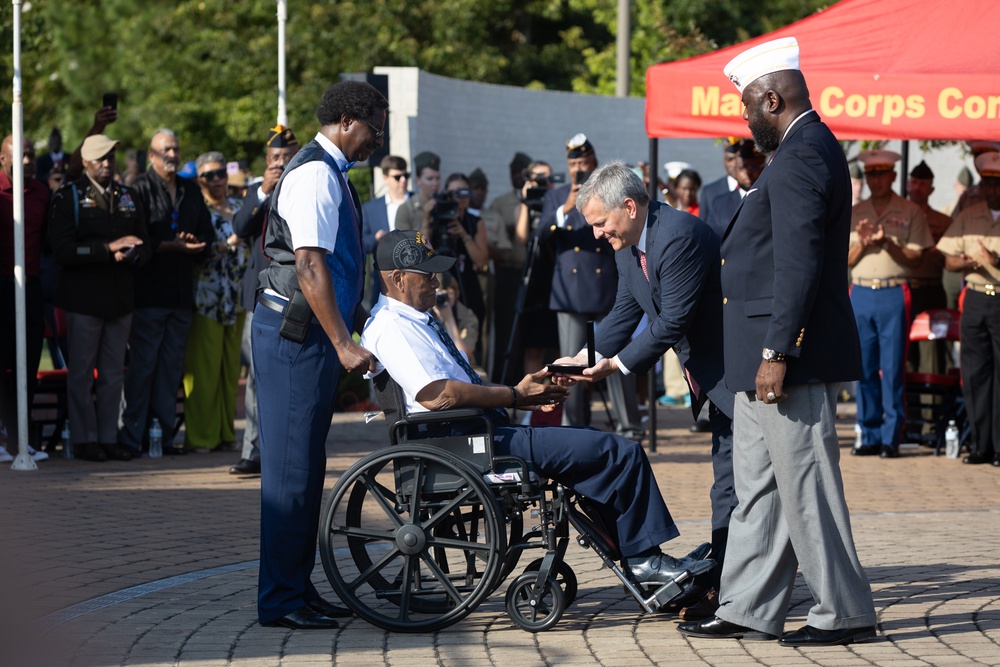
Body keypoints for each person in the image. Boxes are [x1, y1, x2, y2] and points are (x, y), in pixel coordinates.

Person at [363, 230, 715, 593]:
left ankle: (641, 557)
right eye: (427, 274)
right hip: (464, 444)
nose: (437, 281)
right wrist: (514, 395)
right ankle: (645, 562)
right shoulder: (393, 327)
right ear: (397, 278)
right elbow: (438, 396)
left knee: (600, 448)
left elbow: (456, 385)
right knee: (618, 452)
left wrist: (525, 391)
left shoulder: (411, 321)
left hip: (476, 435)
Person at [678, 36, 877, 647]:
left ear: (772, 98)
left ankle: (845, 611)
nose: (743, 119)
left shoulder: (803, 155)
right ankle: (748, 607)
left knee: (807, 485)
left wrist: (777, 351)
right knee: (758, 491)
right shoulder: (799, 152)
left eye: (745, 107)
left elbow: (799, 264)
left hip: (783, 359)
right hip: (756, 358)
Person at [555, 161, 736, 618]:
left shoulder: (678, 235)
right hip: (710, 379)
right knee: (729, 482)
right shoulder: (629, 242)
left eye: (601, 223)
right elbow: (624, 310)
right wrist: (583, 356)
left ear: (630, 206)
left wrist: (613, 366)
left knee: (733, 485)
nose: (597, 235)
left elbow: (672, 320)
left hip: (733, 374)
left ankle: (730, 587)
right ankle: (729, 576)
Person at [251, 79, 386, 630]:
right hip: (296, 338)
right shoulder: (311, 173)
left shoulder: (330, 171)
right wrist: (343, 343)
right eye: (375, 128)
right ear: (349, 121)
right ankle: (280, 599)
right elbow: (309, 267)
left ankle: (296, 587)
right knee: (289, 473)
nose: (377, 140)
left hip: (309, 337)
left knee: (305, 468)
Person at [48, 134, 150, 462]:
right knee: (81, 373)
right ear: (87, 162)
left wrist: (135, 254)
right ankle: (84, 439)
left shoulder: (128, 196)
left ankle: (108, 437)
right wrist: (107, 250)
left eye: (111, 158)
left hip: (120, 299)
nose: (107, 164)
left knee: (112, 373)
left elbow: (146, 244)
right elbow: (61, 250)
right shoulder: (70, 198)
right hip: (84, 300)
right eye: (100, 159)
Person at [539, 134, 641, 435]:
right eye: (573, 163)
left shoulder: (605, 192)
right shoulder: (557, 196)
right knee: (571, 363)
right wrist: (567, 207)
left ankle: (629, 424)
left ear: (594, 162)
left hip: (605, 290)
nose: (577, 168)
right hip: (570, 294)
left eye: (583, 162)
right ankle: (573, 424)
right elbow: (541, 235)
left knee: (616, 358)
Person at [119, 129, 212, 456]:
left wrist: (193, 245)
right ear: (152, 155)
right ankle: (132, 439)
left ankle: (161, 438)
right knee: (143, 368)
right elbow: (132, 240)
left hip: (180, 296)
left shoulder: (190, 189)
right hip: (147, 295)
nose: (173, 154)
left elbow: (207, 236)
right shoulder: (137, 190)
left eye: (176, 148)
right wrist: (169, 246)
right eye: (166, 150)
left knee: (171, 371)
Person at [848, 149, 933, 459]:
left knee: (893, 368)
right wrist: (864, 244)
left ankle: (891, 437)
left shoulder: (909, 211)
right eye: (871, 174)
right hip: (860, 293)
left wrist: (888, 244)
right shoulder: (856, 212)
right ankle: (868, 434)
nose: (876, 180)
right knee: (864, 367)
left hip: (893, 292)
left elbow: (917, 256)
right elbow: (843, 259)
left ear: (894, 176)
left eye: (882, 174)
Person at [229, 124, 300, 475]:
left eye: (287, 157)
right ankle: (252, 451)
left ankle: (284, 449)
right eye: (275, 158)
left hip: (298, 295)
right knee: (257, 378)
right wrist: (263, 191)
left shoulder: (306, 186)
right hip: (260, 297)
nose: (281, 163)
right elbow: (239, 228)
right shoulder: (256, 190)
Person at [181, 151, 248, 452]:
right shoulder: (196, 208)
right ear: (199, 179)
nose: (217, 180)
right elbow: (199, 250)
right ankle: (200, 437)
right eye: (209, 175)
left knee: (229, 370)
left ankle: (225, 433)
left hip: (235, 298)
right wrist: (228, 243)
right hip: (207, 298)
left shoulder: (238, 207)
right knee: (204, 370)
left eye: (221, 173)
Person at [936, 151, 1000, 467]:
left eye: (997, 183)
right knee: (975, 375)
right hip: (975, 298)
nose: (992, 189)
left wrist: (996, 262)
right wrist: (966, 262)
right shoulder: (969, 215)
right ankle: (980, 445)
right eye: (988, 183)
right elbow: (948, 258)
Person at [0, 136, 50, 462]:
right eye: (19, 155)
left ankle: (21, 439)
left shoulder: (42, 194)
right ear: (2, 157)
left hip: (30, 288)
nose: (27, 160)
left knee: (28, 363)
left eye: (31, 154)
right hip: (1, 287)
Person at [906, 160, 953, 374]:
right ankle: (909, 406)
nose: (917, 187)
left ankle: (935, 406)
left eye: (923, 184)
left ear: (932, 189)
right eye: (914, 182)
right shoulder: (899, 216)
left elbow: (950, 258)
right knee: (905, 351)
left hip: (932, 289)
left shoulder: (943, 221)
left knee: (933, 351)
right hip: (905, 288)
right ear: (907, 184)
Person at [705, 140, 765, 240]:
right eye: (743, 167)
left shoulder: (773, 199)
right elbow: (710, 237)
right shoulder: (719, 203)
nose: (747, 172)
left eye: (754, 167)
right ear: (735, 169)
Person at [361, 154, 410, 256]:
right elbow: (361, 242)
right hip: (384, 269)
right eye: (397, 177)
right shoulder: (371, 208)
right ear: (385, 178)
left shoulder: (417, 201)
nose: (403, 180)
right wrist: (376, 238)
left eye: (406, 176)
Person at [393, 150, 440, 234]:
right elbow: (407, 245)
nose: (435, 183)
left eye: (438, 178)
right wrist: (426, 219)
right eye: (430, 179)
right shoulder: (406, 209)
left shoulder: (444, 205)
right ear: (417, 180)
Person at [698, 138, 740, 226]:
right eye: (730, 159)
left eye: (737, 159)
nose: (734, 164)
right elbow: (703, 226)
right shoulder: (709, 192)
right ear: (724, 160)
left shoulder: (757, 187)